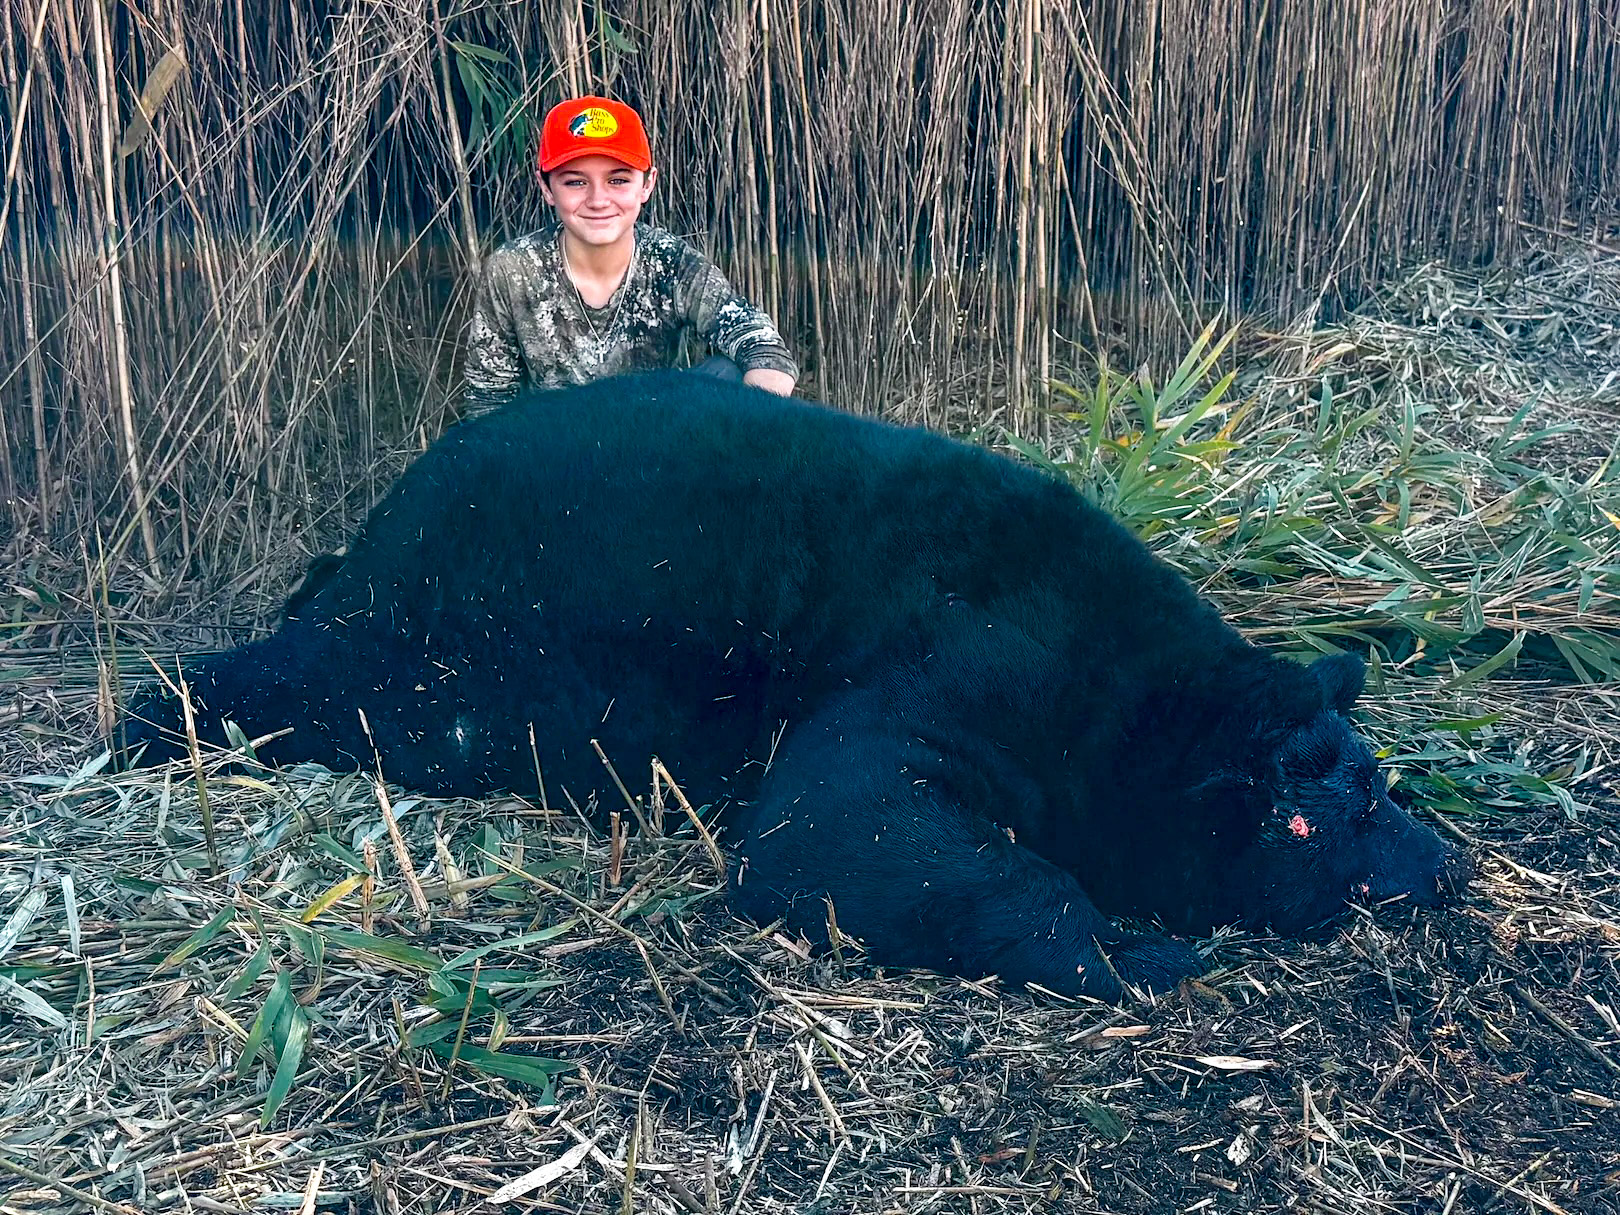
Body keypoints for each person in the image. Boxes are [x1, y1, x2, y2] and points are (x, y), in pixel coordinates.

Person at [462, 95, 798, 414]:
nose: (598, 200)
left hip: (654, 440)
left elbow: (763, 347)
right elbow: (488, 397)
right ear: (546, 188)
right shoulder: (512, 269)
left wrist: (756, 422)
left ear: (647, 184)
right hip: (555, 450)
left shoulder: (671, 263)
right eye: (576, 183)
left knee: (729, 376)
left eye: (618, 180)